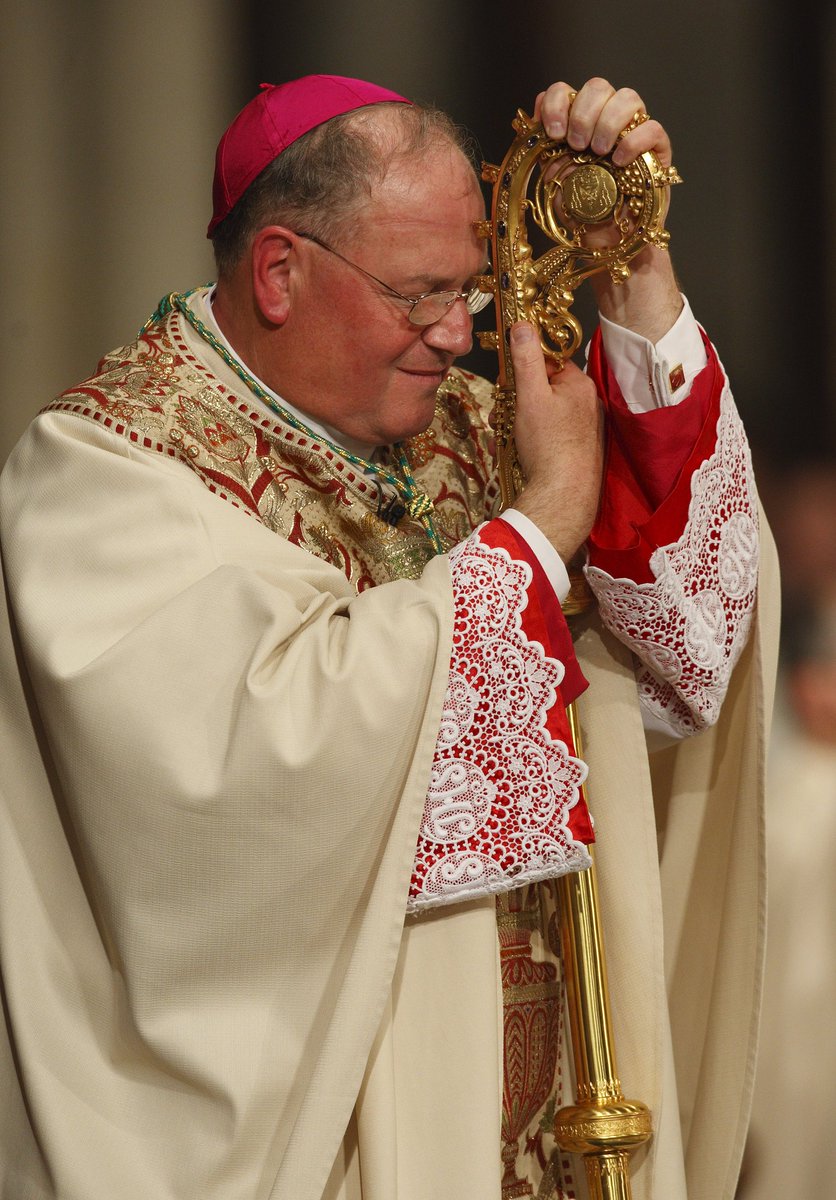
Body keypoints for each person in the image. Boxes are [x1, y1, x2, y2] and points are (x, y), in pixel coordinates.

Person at [0, 74, 778, 1200]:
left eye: (468, 291)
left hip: (540, 1115)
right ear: (279, 272)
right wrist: (539, 526)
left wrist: (633, 272)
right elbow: (245, 786)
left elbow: (687, 648)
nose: (456, 335)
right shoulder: (105, 475)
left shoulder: (477, 422)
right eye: (419, 296)